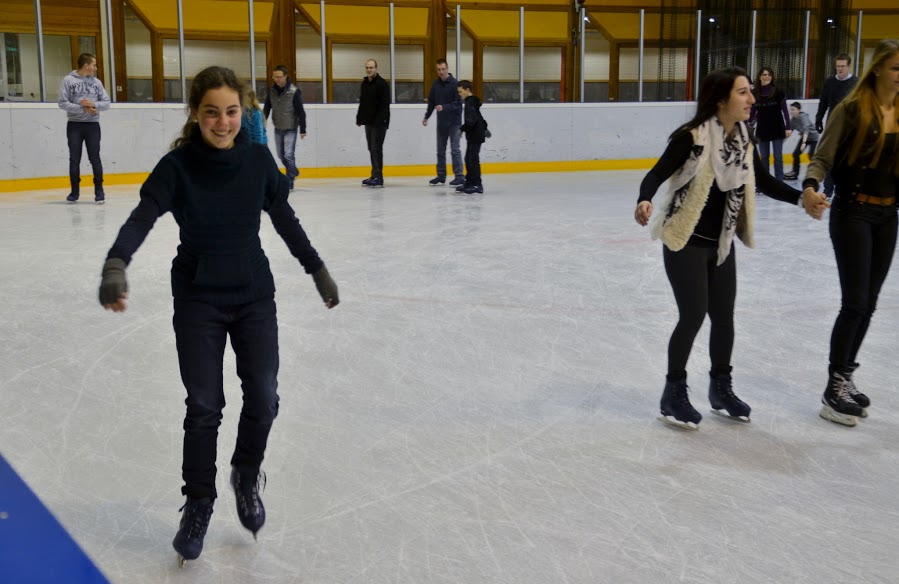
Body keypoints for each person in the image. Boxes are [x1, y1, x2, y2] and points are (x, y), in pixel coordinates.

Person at [97, 66, 339, 564]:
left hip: (252, 293)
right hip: (198, 297)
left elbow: (285, 218)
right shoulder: (178, 166)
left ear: (243, 112)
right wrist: (117, 262)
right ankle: (200, 501)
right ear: (196, 113)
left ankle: (246, 474)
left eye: (232, 111)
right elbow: (142, 215)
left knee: (265, 396)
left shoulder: (255, 160)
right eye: (212, 112)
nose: (223, 122)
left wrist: (317, 269)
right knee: (204, 406)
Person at [634, 67, 826, 430]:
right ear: (721, 100)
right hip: (685, 239)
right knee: (693, 315)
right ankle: (673, 392)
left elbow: (765, 181)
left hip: (721, 242)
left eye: (750, 92)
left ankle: (721, 388)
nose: (751, 99)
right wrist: (644, 199)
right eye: (743, 93)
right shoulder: (691, 137)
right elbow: (657, 173)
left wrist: (803, 199)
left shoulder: (743, 139)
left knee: (724, 317)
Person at [803, 39, 899, 427]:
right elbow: (822, 156)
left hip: (887, 215)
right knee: (855, 302)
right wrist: (811, 187)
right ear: (877, 68)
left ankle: (845, 374)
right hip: (852, 212)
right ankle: (833, 388)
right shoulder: (851, 110)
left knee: (870, 303)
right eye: (896, 68)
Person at [58, 53, 111, 204]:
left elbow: (106, 103)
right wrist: (82, 108)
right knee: (74, 159)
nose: (95, 68)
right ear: (86, 65)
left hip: (93, 125)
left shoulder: (97, 82)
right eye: (93, 65)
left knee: (95, 158)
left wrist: (93, 105)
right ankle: (74, 192)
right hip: (74, 125)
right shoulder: (68, 80)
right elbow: (62, 102)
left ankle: (99, 191)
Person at [816, 54, 859, 198]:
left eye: (843, 66)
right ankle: (828, 190)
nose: (840, 69)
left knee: (848, 159)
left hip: (850, 127)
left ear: (849, 66)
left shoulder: (856, 82)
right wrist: (818, 119)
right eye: (838, 66)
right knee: (831, 157)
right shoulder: (830, 82)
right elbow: (823, 102)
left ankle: (847, 188)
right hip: (832, 126)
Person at [263, 65, 306, 191]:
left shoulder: (294, 91)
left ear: (285, 77)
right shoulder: (271, 90)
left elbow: (301, 111)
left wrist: (303, 129)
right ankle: (294, 171)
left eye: (279, 77)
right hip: (278, 128)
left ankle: (290, 179)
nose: (276, 79)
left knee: (288, 155)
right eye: (274, 77)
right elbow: (267, 107)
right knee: (281, 155)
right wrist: (263, 121)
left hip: (291, 128)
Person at [423, 59, 464, 186]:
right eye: (439, 70)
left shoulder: (455, 84)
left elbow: (458, 104)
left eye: (443, 69)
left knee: (455, 149)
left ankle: (459, 176)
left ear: (447, 69)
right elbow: (431, 102)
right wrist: (427, 117)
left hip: (454, 123)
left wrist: (444, 107)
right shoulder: (435, 84)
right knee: (440, 150)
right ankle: (441, 176)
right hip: (442, 123)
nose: (441, 72)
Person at [750, 67, 791, 180]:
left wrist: (788, 127)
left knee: (778, 157)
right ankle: (765, 182)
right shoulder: (755, 93)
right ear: (760, 77)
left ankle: (779, 181)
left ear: (771, 77)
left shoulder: (778, 92)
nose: (767, 76)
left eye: (769, 75)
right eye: (764, 74)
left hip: (777, 128)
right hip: (763, 129)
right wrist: (747, 124)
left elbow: (785, 111)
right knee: (764, 157)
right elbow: (752, 112)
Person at [356, 59, 390, 188]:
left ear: (376, 68)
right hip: (369, 122)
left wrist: (380, 121)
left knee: (376, 148)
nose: (369, 70)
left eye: (371, 67)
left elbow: (385, 106)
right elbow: (363, 102)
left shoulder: (382, 84)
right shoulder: (365, 83)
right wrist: (359, 118)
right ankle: (374, 174)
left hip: (380, 123)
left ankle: (378, 177)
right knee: (371, 148)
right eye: (367, 67)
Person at [457, 80, 486, 194]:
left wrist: (462, 129)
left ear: (467, 90)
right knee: (468, 159)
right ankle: (469, 182)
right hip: (474, 135)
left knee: (473, 160)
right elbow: (479, 117)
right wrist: (485, 127)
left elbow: (472, 120)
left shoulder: (470, 102)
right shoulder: (472, 102)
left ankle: (477, 184)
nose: (459, 94)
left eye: (460, 91)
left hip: (475, 135)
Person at [784, 102, 819, 180]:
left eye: (793, 109)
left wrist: (803, 143)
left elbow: (806, 130)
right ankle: (795, 173)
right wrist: (782, 142)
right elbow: (789, 132)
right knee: (796, 154)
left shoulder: (803, 117)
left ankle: (816, 173)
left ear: (798, 110)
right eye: (791, 109)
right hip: (804, 137)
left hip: (813, 138)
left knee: (811, 155)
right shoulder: (793, 120)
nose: (791, 111)